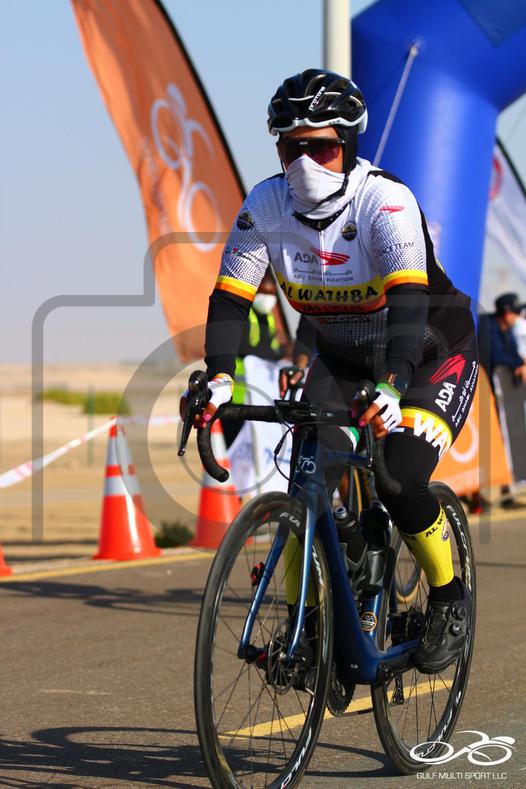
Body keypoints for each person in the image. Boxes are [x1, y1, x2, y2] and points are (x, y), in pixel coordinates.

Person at [181, 69, 478, 674]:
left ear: (348, 144)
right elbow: (231, 299)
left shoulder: (384, 201)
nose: (303, 163)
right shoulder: (266, 205)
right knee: (307, 485)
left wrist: (395, 384)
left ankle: (449, 598)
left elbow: (409, 304)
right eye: (290, 148)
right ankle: (311, 622)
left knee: (398, 481)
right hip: (342, 359)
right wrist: (219, 376)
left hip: (428, 352)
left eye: (320, 148)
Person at [223, 269, 286, 447]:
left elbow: (271, 348)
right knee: (234, 442)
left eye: (271, 293)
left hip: (258, 395)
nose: (268, 298)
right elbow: (244, 347)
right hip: (236, 395)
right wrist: (273, 353)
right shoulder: (244, 316)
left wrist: (279, 352)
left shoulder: (269, 318)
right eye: (264, 292)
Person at [479, 292, 526, 509]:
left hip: (495, 396)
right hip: (481, 395)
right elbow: (496, 357)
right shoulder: (488, 326)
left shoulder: (504, 330)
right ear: (506, 312)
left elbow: (510, 356)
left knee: (502, 439)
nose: (518, 315)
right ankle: (480, 497)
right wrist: (519, 363)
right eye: (515, 311)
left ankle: (506, 491)